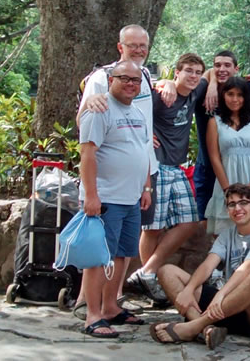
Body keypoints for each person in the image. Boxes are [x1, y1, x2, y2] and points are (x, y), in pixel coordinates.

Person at [150, 184, 250, 348]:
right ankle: (207, 329)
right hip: (227, 308)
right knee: (166, 271)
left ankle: (194, 327)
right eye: (232, 204)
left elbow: (247, 268)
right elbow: (207, 265)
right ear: (228, 210)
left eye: (243, 203)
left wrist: (221, 294)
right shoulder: (227, 235)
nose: (237, 208)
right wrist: (188, 290)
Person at [77, 60, 154, 338]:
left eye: (136, 80)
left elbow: (142, 150)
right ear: (111, 81)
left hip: (131, 198)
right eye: (125, 79)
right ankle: (92, 315)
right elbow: (87, 154)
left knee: (122, 255)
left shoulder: (137, 112)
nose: (131, 84)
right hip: (106, 198)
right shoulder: (99, 110)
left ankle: (110, 307)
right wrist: (91, 195)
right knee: (100, 258)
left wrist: (146, 187)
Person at [126, 53, 209, 303]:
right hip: (156, 165)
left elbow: (213, 74)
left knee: (189, 221)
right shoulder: (160, 95)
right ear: (177, 72)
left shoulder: (196, 91)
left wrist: (210, 84)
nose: (194, 76)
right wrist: (143, 132)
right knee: (153, 227)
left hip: (176, 167)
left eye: (197, 72)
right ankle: (149, 280)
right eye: (188, 71)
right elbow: (130, 109)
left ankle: (147, 271)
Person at [203, 76, 250, 236]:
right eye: (230, 94)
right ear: (223, 96)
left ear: (245, 97)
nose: (235, 99)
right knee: (226, 235)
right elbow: (214, 158)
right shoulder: (214, 123)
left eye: (239, 95)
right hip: (226, 181)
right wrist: (228, 190)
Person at [193, 51, 240, 221]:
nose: (222, 69)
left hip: (233, 168)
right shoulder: (202, 92)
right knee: (205, 222)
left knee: (234, 219)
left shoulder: (241, 94)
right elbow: (180, 86)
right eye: (217, 65)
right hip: (206, 168)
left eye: (227, 65)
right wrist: (212, 83)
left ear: (236, 69)